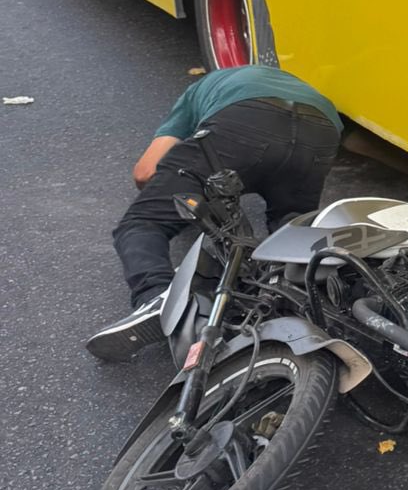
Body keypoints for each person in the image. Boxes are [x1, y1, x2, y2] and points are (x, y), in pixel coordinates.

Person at [87, 64, 343, 362]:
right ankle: (318, 299)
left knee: (143, 223)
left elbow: (146, 172)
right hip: (320, 131)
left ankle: (157, 297)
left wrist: (193, 189)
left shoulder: (199, 90)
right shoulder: (302, 87)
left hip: (243, 121)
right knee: (292, 226)